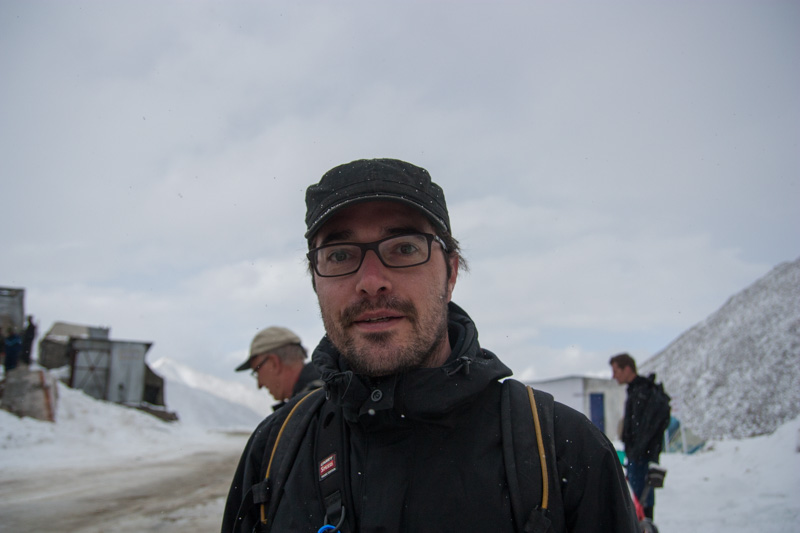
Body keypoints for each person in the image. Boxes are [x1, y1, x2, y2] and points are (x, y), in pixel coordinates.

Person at [222, 158, 638, 532]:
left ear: (451, 273)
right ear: (315, 281)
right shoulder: (275, 451)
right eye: (340, 255)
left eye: (404, 248)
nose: (371, 281)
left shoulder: (562, 451)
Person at [610, 352, 668, 520]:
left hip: (641, 458)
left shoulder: (643, 392)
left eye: (616, 371)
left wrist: (638, 453)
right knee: (639, 503)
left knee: (641, 505)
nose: (614, 376)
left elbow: (647, 429)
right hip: (638, 456)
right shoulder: (637, 390)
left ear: (627, 369)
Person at [235, 326, 322, 411]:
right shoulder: (321, 391)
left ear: (274, 363)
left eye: (257, 371)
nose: (259, 385)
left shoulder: (311, 405)